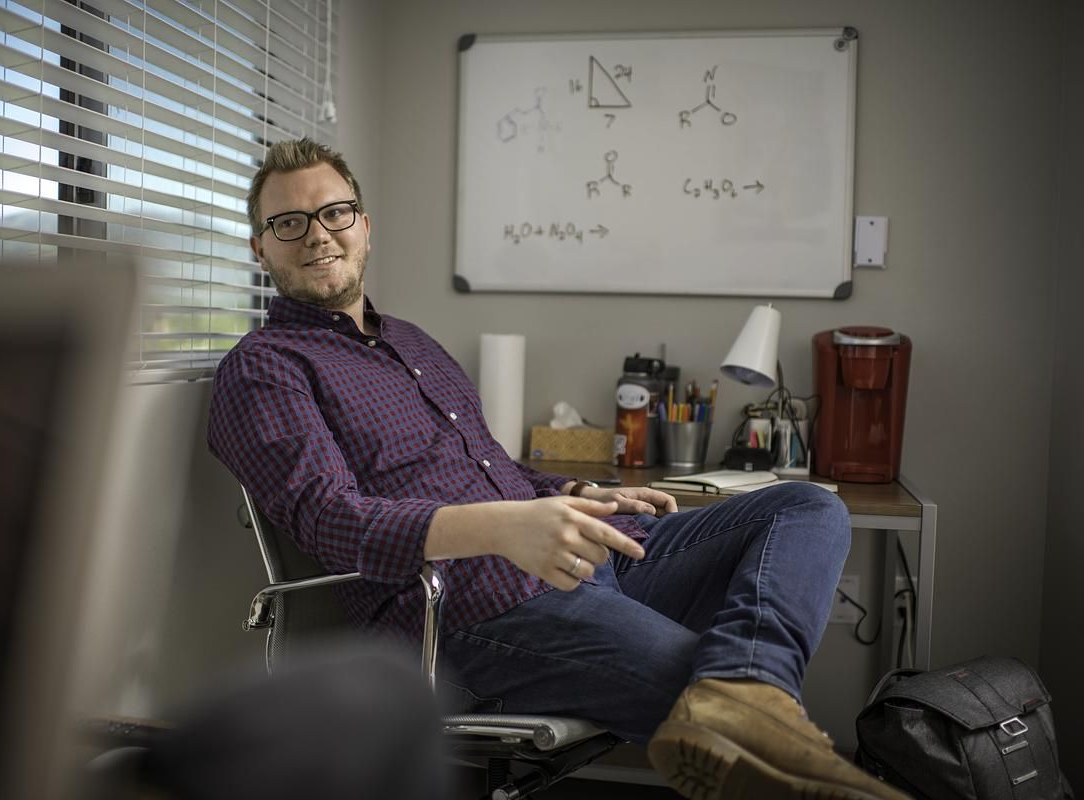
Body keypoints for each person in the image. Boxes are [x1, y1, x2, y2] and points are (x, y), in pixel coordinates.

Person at [207, 138, 909, 800]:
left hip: (584, 554)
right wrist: (506, 527)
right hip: (466, 613)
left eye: (333, 213)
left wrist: (574, 492)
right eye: (290, 223)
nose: (318, 235)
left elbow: (490, 467)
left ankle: (750, 695)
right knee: (704, 686)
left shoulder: (412, 343)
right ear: (260, 248)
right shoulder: (264, 368)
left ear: (364, 225)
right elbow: (332, 520)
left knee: (807, 506)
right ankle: (751, 709)